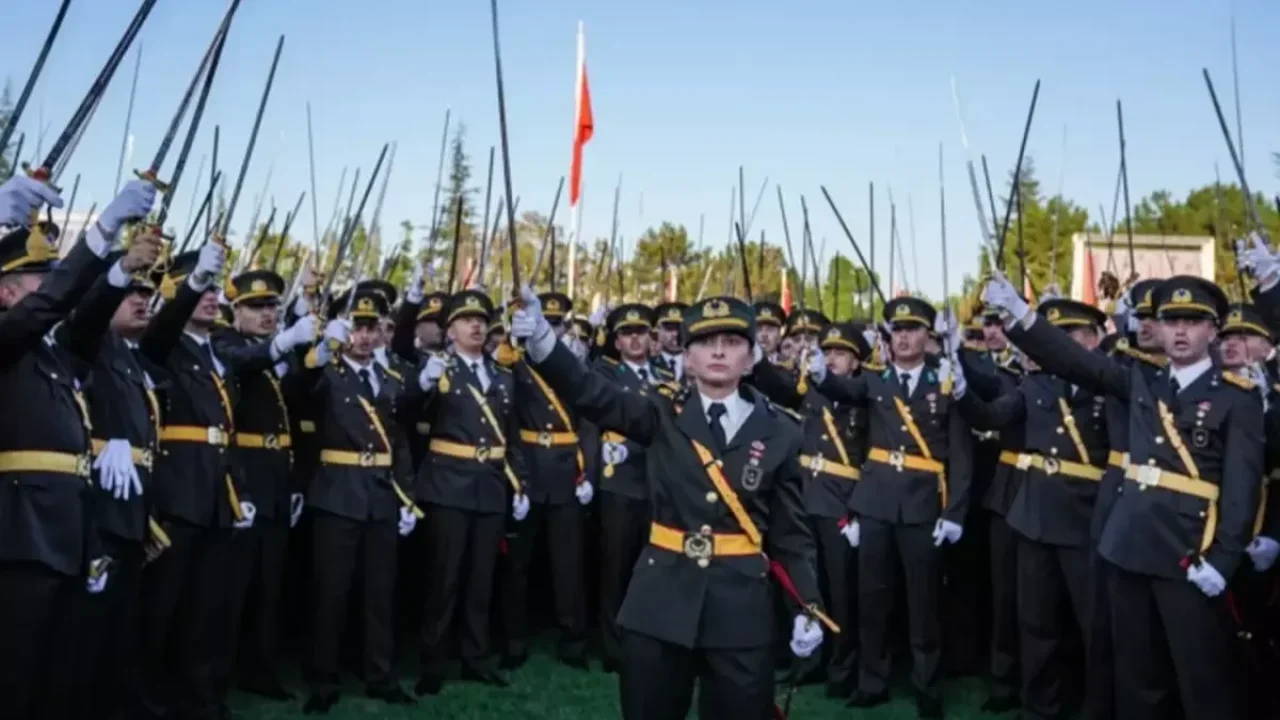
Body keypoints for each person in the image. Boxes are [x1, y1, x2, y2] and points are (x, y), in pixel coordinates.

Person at [510, 288, 827, 719]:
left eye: (732, 342)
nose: (718, 351)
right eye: (705, 342)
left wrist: (807, 603)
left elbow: (792, 534)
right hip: (660, 601)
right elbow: (591, 392)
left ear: (751, 359)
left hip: (740, 607)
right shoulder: (660, 412)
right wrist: (545, 343)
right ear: (687, 357)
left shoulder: (782, 433)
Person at [983, 271, 1263, 720]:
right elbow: (1075, 360)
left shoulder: (1237, 398)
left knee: (1201, 679)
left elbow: (1241, 489)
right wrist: (1020, 314)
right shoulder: (1141, 381)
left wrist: (1225, 559)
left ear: (1213, 330)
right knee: (1138, 678)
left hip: (1190, 554)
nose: (1180, 331)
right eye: (1171, 321)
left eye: (1192, 321)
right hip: (1128, 549)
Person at [0, 175, 157, 719]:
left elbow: (84, 322)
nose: (51, 289)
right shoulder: (9, 337)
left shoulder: (51, 353)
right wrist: (102, 230)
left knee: (58, 672)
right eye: (39, 279)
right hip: (22, 531)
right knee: (18, 674)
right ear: (6, 292)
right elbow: (45, 310)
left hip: (68, 528)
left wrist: (117, 269)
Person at [793, 296, 972, 719]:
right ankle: (872, 681)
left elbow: (961, 458)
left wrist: (955, 513)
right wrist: (819, 372)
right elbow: (843, 388)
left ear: (928, 336)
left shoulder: (945, 381)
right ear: (888, 339)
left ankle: (927, 686)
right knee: (872, 598)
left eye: (913, 329)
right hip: (874, 502)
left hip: (923, 504)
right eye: (898, 331)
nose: (905, 337)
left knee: (923, 601)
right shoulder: (875, 381)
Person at [951, 297, 1111, 719]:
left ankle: (1096, 705)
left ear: (1093, 341)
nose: (1054, 348)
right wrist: (963, 390)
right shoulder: (1035, 385)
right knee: (1035, 623)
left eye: (1068, 337)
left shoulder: (1110, 385)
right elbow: (990, 416)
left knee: (1094, 625)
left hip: (1087, 518)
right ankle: (1038, 706)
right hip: (1034, 516)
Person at [300, 285, 419, 713]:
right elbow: (301, 386)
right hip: (338, 492)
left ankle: (380, 675)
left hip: (381, 495)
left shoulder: (390, 379)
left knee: (379, 594)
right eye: (357, 327)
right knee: (330, 593)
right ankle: (323, 680)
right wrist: (319, 345)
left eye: (371, 328)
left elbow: (399, 442)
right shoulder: (326, 371)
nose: (365, 337)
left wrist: (408, 496)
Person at [410, 288, 531, 696]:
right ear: (450, 330)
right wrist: (423, 385)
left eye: (481, 319)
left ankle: (475, 658)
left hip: (491, 486)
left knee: (482, 580)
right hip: (448, 484)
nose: (476, 325)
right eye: (466, 320)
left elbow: (511, 436)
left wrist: (520, 482)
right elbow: (406, 413)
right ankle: (433, 662)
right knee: (443, 580)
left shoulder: (502, 374)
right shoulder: (437, 370)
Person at [214, 268, 316, 701]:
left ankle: (260, 668)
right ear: (235, 311)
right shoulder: (226, 344)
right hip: (244, 475)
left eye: (272, 306)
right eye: (256, 307)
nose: (267, 313)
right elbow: (242, 364)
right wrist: (284, 342)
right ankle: (218, 674)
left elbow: (296, 407)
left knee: (268, 586)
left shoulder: (278, 352)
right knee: (231, 588)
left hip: (276, 475)